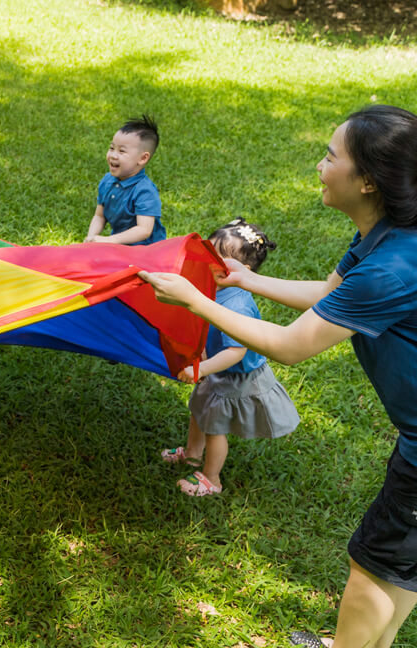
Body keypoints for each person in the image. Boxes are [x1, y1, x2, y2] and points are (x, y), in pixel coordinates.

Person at [139, 105, 417, 648]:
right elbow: (328, 293)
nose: (320, 165)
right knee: (399, 567)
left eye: (330, 155)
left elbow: (290, 347)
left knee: (375, 568)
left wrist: (196, 300)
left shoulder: (393, 266)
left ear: (366, 180)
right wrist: (248, 280)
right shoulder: (384, 234)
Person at [159, 218, 298, 497]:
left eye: (219, 257)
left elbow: (237, 352)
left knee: (215, 425)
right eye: (209, 251)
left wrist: (202, 369)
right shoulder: (211, 287)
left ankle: (211, 479)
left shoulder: (237, 303)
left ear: (242, 270)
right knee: (199, 410)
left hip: (236, 375)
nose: (208, 260)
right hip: (215, 367)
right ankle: (192, 454)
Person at [84, 115, 167, 246]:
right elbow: (100, 216)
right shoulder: (107, 181)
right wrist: (91, 237)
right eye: (111, 148)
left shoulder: (145, 190)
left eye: (122, 151)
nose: (113, 155)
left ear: (143, 158)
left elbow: (144, 230)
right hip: (119, 246)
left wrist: (110, 240)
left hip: (147, 251)